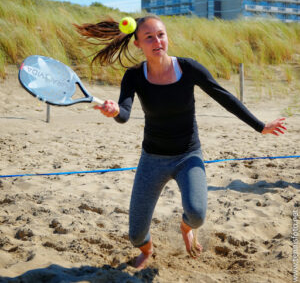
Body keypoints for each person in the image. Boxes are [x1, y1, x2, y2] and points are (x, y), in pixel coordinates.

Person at [74, 15, 287, 269]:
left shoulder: (188, 68)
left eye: (161, 35)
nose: (157, 41)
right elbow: (125, 114)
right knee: (135, 236)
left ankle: (185, 227)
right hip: (152, 159)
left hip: (188, 156)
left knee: (196, 215)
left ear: (167, 37)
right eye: (149, 37)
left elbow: (224, 96)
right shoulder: (133, 76)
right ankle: (148, 250)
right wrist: (114, 111)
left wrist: (260, 126)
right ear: (137, 44)